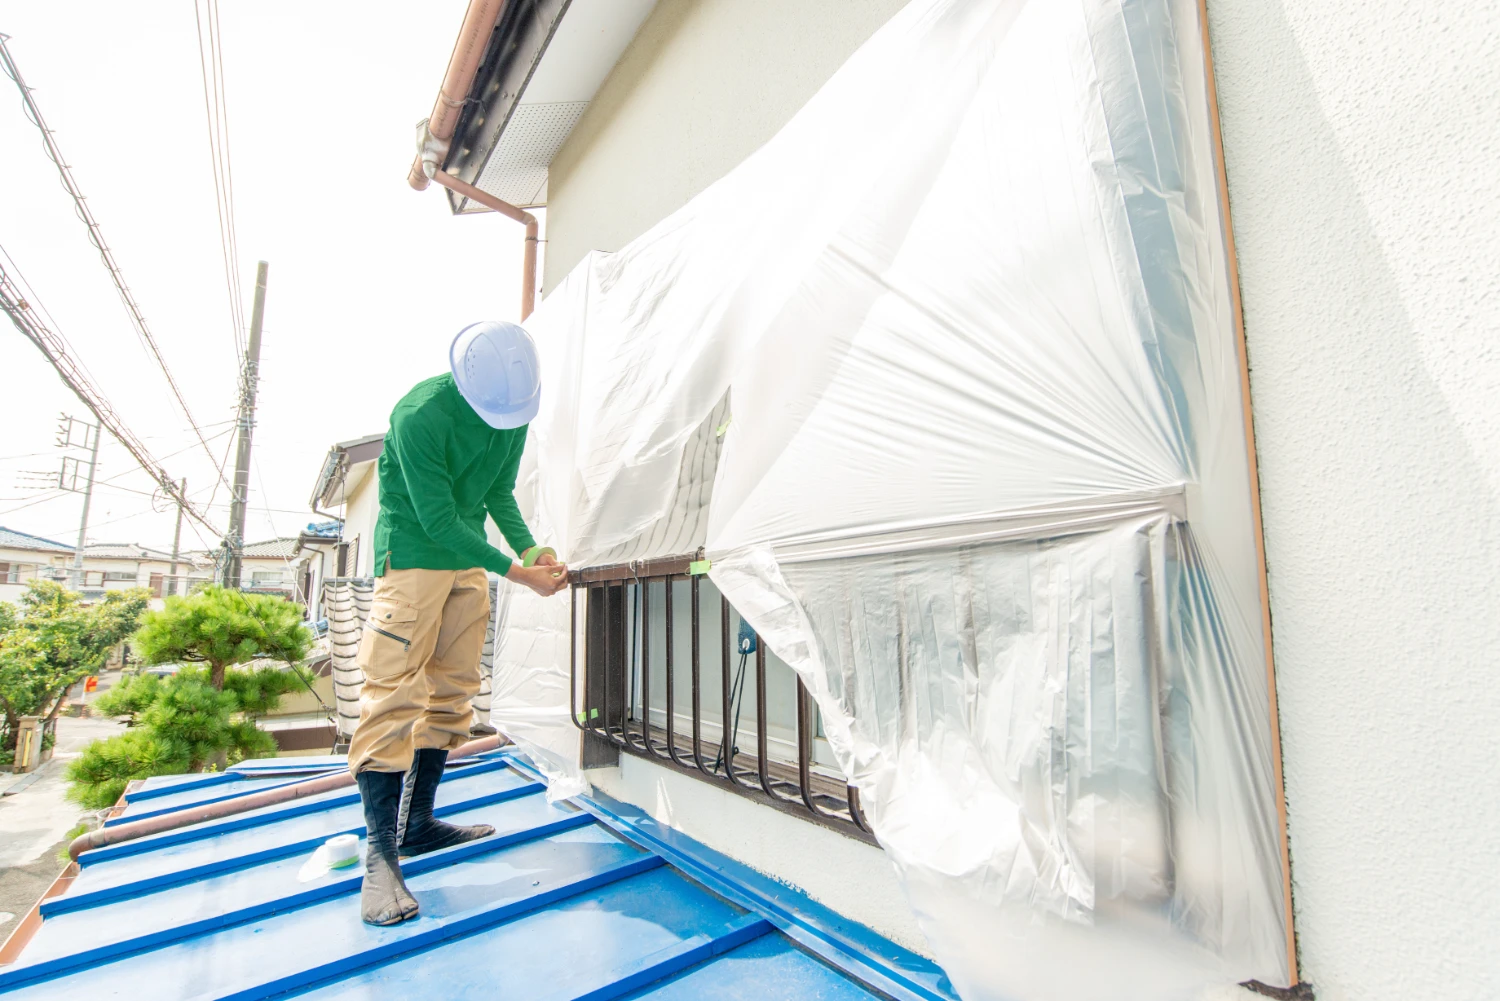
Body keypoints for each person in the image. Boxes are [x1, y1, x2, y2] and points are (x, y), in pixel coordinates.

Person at [349, 320, 567, 926]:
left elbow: (499, 493)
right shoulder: (419, 415)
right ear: (466, 385)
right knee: (393, 694)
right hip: (415, 556)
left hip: (467, 558)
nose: (504, 423)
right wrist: (516, 573)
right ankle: (380, 856)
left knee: (454, 692)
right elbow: (439, 519)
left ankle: (416, 825)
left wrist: (529, 551)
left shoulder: (513, 411)